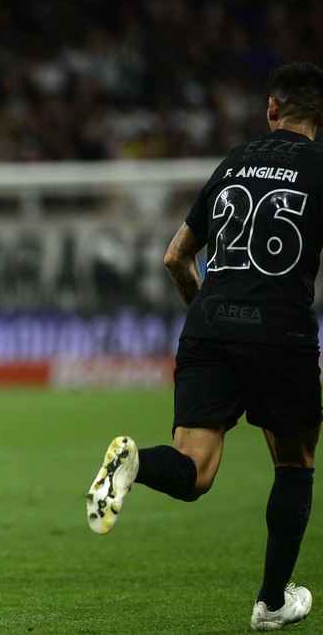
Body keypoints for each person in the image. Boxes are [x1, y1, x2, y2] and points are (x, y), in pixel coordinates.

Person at [86, 61, 323, 632]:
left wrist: (210, 317)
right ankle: (269, 604)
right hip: (282, 332)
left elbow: (174, 256)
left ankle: (135, 462)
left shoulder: (234, 161)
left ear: (271, 109)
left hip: (210, 325)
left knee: (193, 471)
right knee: (294, 463)